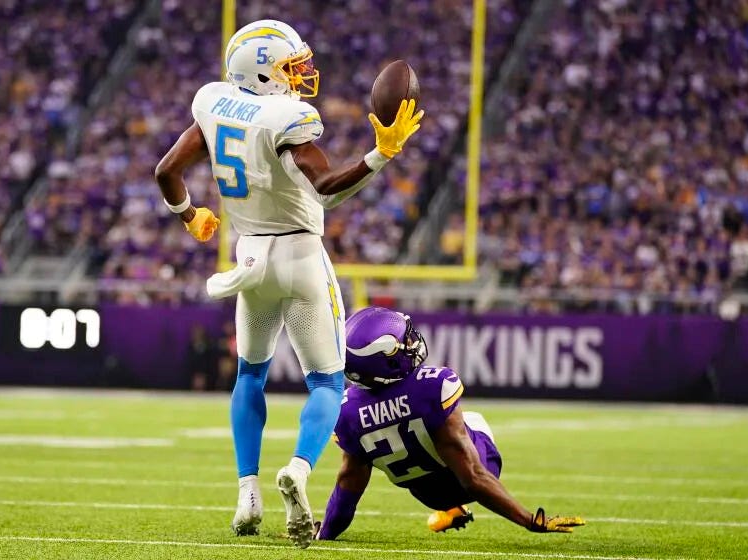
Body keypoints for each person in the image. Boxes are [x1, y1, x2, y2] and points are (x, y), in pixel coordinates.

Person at [153, 20, 423, 548]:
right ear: (260, 71)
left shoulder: (213, 102)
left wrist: (190, 216)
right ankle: (298, 471)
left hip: (249, 258)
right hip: (299, 255)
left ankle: (246, 493)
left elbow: (167, 170)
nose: (300, 74)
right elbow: (325, 190)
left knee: (249, 376)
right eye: (288, 66)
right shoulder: (288, 116)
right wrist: (382, 153)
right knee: (327, 383)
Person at [316, 307, 586, 540]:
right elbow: (473, 478)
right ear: (384, 360)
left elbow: (347, 487)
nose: (411, 342)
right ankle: (455, 504)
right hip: (474, 474)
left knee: (389, 448)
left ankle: (451, 508)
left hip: (427, 495)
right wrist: (528, 519)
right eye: (403, 340)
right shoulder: (434, 386)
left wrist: (324, 533)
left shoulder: (346, 411)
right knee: (471, 419)